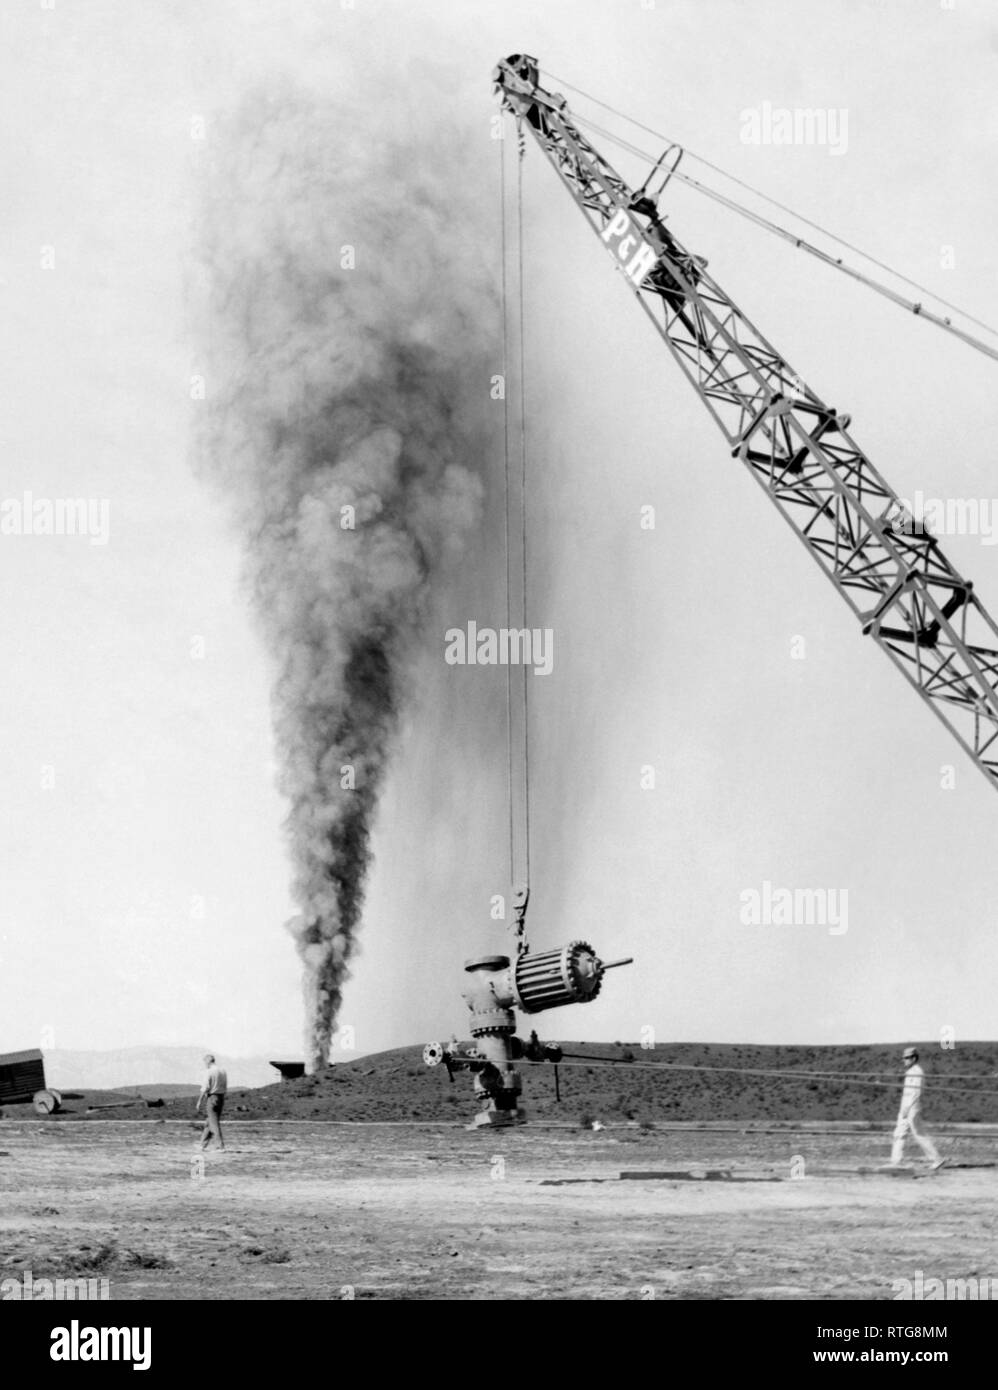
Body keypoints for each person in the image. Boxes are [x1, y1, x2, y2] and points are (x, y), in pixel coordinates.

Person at [890, 1047, 945, 1169]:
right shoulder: (910, 1072)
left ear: (913, 1058)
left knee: (918, 1133)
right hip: (906, 1107)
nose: (904, 1060)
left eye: (907, 1058)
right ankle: (895, 1162)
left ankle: (937, 1159)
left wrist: (907, 1108)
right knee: (899, 1133)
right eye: (903, 1058)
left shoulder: (917, 1072)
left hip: (911, 1107)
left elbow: (915, 1092)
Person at [196, 1053, 227, 1152]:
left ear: (208, 1061)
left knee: (213, 1124)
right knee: (210, 1122)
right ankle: (202, 1145)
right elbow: (224, 1085)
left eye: (205, 1062)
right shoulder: (223, 1071)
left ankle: (220, 1146)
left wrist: (199, 1101)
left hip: (212, 1098)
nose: (205, 1064)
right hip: (221, 1097)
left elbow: (205, 1087)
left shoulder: (209, 1072)